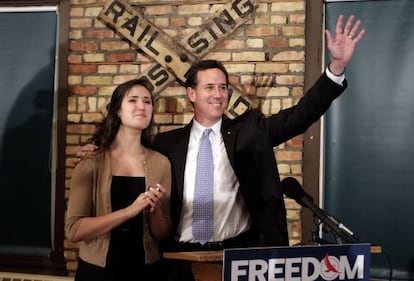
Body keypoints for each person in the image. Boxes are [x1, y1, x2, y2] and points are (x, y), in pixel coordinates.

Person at [76, 14, 365, 280]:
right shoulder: (165, 144)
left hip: (239, 258)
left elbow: (302, 114)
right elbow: (129, 148)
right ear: (191, 93)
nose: (218, 94)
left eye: (223, 87)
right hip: (178, 259)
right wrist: (100, 150)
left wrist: (336, 67)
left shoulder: (252, 131)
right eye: (209, 87)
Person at [66, 78, 172, 281]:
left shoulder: (161, 163)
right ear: (117, 110)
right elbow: (74, 230)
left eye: (147, 101)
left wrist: (156, 210)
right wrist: (128, 211)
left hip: (147, 272)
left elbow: (162, 234)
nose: (141, 106)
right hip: (98, 273)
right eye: (133, 100)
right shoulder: (91, 162)